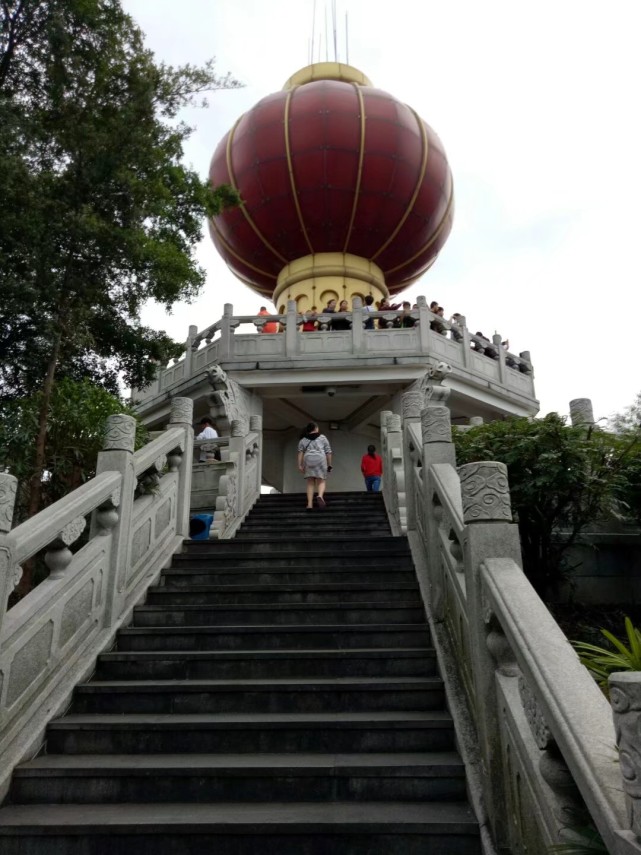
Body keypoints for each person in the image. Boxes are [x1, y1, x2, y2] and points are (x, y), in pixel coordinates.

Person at [297, 422, 332, 509]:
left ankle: (309, 504)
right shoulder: (322, 438)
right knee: (321, 480)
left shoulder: (303, 440)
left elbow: (300, 453)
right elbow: (328, 452)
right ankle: (320, 495)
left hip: (308, 460)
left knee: (310, 482)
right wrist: (329, 464)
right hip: (320, 459)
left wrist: (300, 465)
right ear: (316, 428)